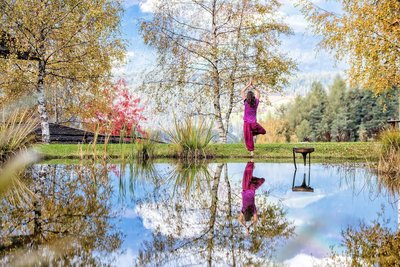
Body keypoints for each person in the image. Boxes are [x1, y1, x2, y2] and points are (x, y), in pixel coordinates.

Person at [238, 160, 265, 235]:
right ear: (245, 214)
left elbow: (256, 220)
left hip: (252, 188)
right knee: (247, 173)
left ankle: (252, 164)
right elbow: (239, 220)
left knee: (260, 180)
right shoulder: (243, 209)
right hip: (245, 187)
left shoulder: (253, 210)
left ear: (250, 215)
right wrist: (246, 227)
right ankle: (251, 162)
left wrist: (249, 227)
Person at [241, 78, 266, 157]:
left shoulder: (245, 102)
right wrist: (253, 86)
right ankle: (252, 135)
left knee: (248, 137)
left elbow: (242, 91)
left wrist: (248, 85)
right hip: (254, 123)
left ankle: (251, 152)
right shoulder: (256, 102)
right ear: (253, 97)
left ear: (247, 97)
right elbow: (258, 92)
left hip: (247, 123)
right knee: (263, 131)